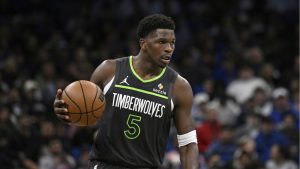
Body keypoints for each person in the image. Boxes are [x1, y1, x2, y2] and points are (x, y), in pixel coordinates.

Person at [53, 14, 199, 168]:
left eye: (172, 43)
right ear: (143, 44)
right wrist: (66, 109)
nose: (169, 48)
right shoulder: (109, 70)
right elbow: (85, 113)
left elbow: (188, 143)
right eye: (162, 42)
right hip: (105, 164)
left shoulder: (179, 87)